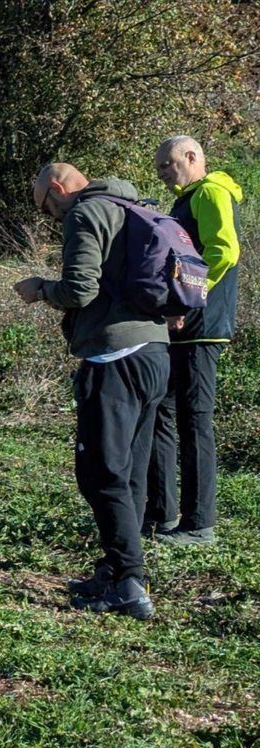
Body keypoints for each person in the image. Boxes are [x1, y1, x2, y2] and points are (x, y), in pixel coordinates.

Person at [14, 163, 170, 620]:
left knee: (100, 472)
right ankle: (119, 569)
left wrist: (41, 289)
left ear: (59, 190)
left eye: (47, 208)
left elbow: (80, 290)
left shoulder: (86, 214)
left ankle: (127, 581)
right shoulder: (134, 205)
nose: (52, 216)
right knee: (132, 471)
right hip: (156, 351)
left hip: (113, 355)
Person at [145, 136, 243, 547]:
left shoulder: (211, 192)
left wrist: (192, 297)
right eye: (159, 168)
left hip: (202, 327)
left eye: (167, 164)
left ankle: (199, 524)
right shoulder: (187, 199)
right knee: (163, 414)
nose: (163, 173)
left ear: (192, 157)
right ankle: (162, 515)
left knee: (195, 420)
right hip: (180, 326)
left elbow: (225, 251)